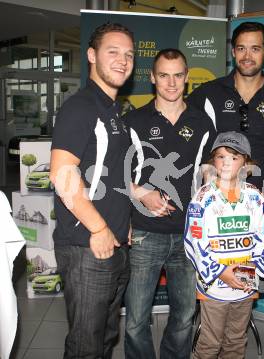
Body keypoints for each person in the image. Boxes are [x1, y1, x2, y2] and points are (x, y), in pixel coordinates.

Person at [188, 21, 264, 292]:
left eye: (254, 48)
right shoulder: (208, 93)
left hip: (258, 197)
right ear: (233, 52)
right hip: (212, 201)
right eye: (241, 48)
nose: (247, 55)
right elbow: (184, 130)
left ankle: (236, 331)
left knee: (250, 279)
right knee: (210, 277)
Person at [123, 48, 216, 359]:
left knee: (184, 317)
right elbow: (113, 177)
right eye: (164, 75)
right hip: (145, 232)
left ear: (187, 78)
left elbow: (208, 173)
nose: (172, 82)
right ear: (152, 78)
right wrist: (142, 194)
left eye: (178, 75)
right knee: (136, 319)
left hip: (189, 235)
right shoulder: (133, 121)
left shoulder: (202, 122)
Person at [49, 22, 135, 358]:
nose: (122, 60)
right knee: (86, 345)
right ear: (91, 55)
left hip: (113, 243)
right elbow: (62, 172)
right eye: (113, 51)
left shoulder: (113, 110)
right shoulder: (81, 106)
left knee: (104, 338)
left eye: (128, 54)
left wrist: (120, 220)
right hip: (87, 247)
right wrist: (99, 227)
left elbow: (110, 176)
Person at [184, 131, 264, 358]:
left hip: (245, 284)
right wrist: (220, 272)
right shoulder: (202, 198)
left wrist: (251, 270)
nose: (226, 163)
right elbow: (193, 242)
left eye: (234, 157)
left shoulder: (256, 197)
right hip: (214, 286)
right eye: (221, 157)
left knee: (236, 342)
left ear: (246, 162)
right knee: (209, 343)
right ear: (212, 161)